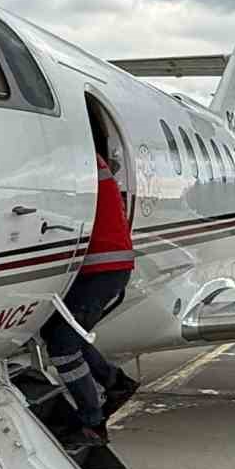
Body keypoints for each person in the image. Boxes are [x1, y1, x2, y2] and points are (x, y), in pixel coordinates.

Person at [42, 149, 138, 449]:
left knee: (63, 346)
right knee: (60, 331)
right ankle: (114, 382)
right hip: (104, 267)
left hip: (102, 269)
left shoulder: (78, 159)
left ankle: (93, 423)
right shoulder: (87, 159)